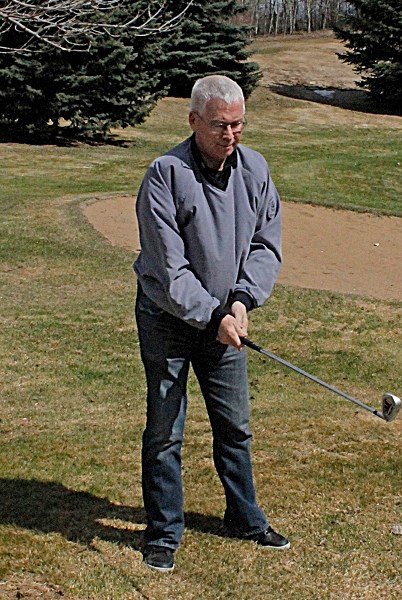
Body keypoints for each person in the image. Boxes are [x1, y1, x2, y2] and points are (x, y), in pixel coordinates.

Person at [133, 74, 289, 573]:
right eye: (221, 124)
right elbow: (169, 267)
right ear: (194, 120)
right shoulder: (165, 174)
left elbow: (266, 245)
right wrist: (214, 314)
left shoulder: (256, 170)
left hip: (227, 319)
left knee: (235, 425)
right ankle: (163, 532)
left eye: (239, 124)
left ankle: (243, 517)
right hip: (168, 319)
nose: (231, 135)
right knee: (165, 428)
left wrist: (242, 301)